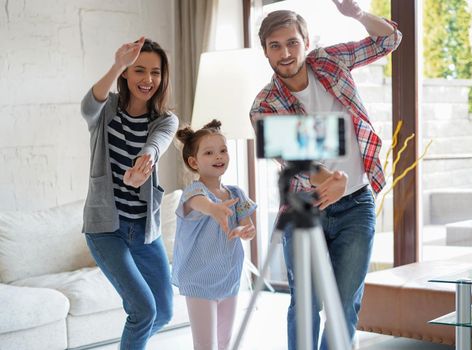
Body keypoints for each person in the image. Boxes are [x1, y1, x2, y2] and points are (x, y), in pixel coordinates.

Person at [250, 1, 402, 349]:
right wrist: (329, 178)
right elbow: (290, 157)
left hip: (356, 205)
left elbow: (388, 40)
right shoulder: (264, 105)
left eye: (292, 42)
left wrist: (359, 16)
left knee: (343, 305)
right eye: (275, 46)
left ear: (306, 42)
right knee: (305, 306)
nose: (285, 53)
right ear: (266, 52)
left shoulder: (330, 62)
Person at [80, 37, 178, 350]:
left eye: (156, 72)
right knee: (143, 310)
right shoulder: (105, 111)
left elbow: (158, 142)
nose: (148, 80)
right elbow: (87, 106)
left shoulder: (165, 119)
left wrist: (145, 159)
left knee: (162, 312)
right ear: (126, 74)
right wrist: (117, 63)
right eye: (139, 70)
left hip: (145, 230)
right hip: (107, 230)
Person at [171, 119, 257, 350]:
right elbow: (200, 204)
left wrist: (243, 231)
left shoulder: (236, 193)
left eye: (223, 151)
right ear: (194, 162)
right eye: (209, 153)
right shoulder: (194, 192)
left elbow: (247, 228)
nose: (218, 156)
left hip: (228, 277)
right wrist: (214, 208)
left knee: (225, 341)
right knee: (205, 344)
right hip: (199, 279)